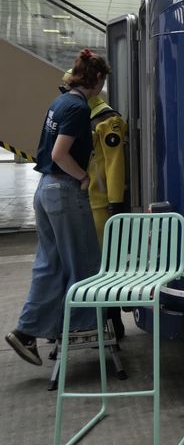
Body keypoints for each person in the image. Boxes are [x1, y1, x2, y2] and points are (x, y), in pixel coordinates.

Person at [6, 49, 108, 366]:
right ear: (97, 79)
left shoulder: (60, 102)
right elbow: (61, 153)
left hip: (45, 189)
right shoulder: (78, 108)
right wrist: (84, 177)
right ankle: (80, 328)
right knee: (83, 262)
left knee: (50, 264)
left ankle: (26, 331)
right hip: (64, 190)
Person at [61, 69, 129, 337]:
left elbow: (114, 164)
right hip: (83, 199)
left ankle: (112, 321)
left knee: (104, 265)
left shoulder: (107, 120)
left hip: (100, 203)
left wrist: (115, 202)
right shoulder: (82, 115)